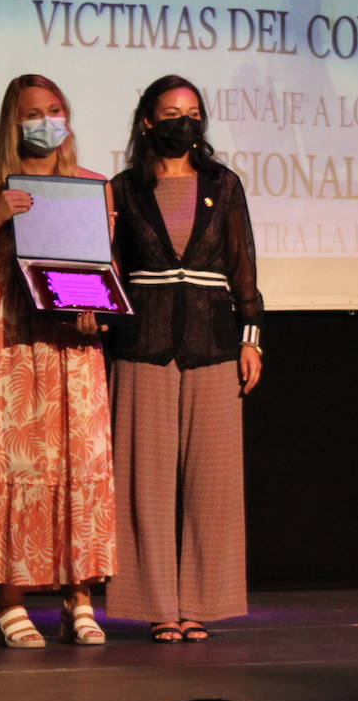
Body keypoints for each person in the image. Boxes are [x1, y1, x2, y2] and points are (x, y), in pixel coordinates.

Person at [0, 74, 115, 648]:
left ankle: (79, 598)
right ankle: (9, 600)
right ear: (14, 124)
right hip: (9, 337)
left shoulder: (94, 185)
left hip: (72, 343)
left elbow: (102, 268)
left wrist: (97, 309)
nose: (46, 121)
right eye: (33, 113)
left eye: (55, 109)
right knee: (11, 461)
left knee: (75, 460)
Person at [106, 74, 263, 643]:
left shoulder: (224, 185)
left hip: (213, 341)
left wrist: (252, 338)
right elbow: (110, 267)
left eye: (193, 111)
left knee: (214, 480)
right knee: (143, 480)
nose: (184, 121)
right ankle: (156, 606)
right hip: (142, 341)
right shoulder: (123, 189)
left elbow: (243, 265)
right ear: (148, 120)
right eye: (172, 112)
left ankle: (202, 602)